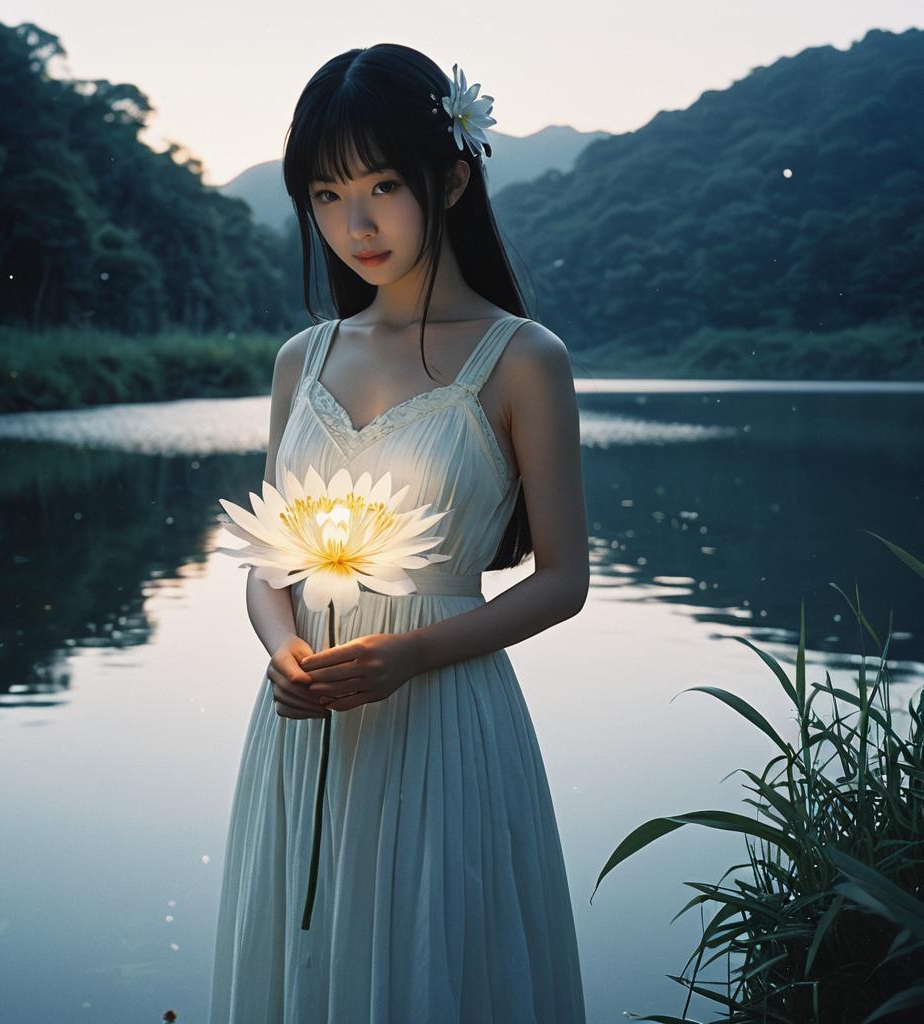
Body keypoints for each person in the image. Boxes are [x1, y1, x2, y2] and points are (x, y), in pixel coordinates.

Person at [209, 42, 590, 1023]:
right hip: (303, 727)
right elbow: (268, 560)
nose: (357, 221)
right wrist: (281, 646)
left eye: (382, 184)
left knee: (433, 971)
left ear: (452, 176)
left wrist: (408, 655)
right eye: (328, 194)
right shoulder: (304, 356)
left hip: (443, 720)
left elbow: (562, 581)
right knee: (309, 969)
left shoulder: (522, 358)